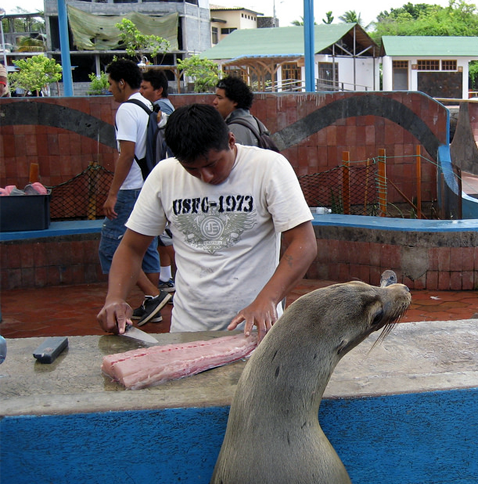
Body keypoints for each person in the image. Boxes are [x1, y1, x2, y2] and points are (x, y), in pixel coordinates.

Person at [96, 103, 317, 341]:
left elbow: (303, 244)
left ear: (231, 141)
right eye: (192, 169)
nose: (206, 177)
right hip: (188, 329)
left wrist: (268, 299)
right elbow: (131, 247)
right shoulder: (164, 175)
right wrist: (115, 298)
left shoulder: (268, 167)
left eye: (212, 164)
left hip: (255, 330)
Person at [100, 59, 171, 326]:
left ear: (121, 82)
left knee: (112, 248)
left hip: (131, 187)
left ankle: (153, 295)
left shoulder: (127, 110)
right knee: (148, 247)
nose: (109, 89)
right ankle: (151, 306)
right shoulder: (147, 106)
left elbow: (127, 154)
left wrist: (112, 193)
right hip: (147, 185)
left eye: (110, 83)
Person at [140, 68, 177, 294]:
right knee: (163, 236)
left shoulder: (161, 111)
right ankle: (166, 278)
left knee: (167, 236)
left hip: (164, 179)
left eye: (145, 88)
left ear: (158, 89)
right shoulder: (164, 109)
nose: (141, 92)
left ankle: (176, 277)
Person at [213, 75, 261, 146]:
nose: (214, 102)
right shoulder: (255, 121)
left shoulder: (235, 130)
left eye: (220, 98)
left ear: (235, 102)